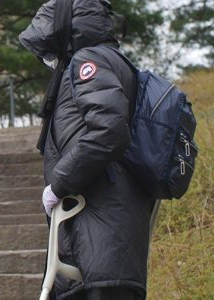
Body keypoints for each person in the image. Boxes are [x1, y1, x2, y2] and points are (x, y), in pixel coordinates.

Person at [19, 0, 155, 299]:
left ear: (65, 33)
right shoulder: (112, 59)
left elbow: (109, 129)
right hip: (105, 235)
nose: (48, 58)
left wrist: (59, 183)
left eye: (49, 49)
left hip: (100, 234)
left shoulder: (87, 61)